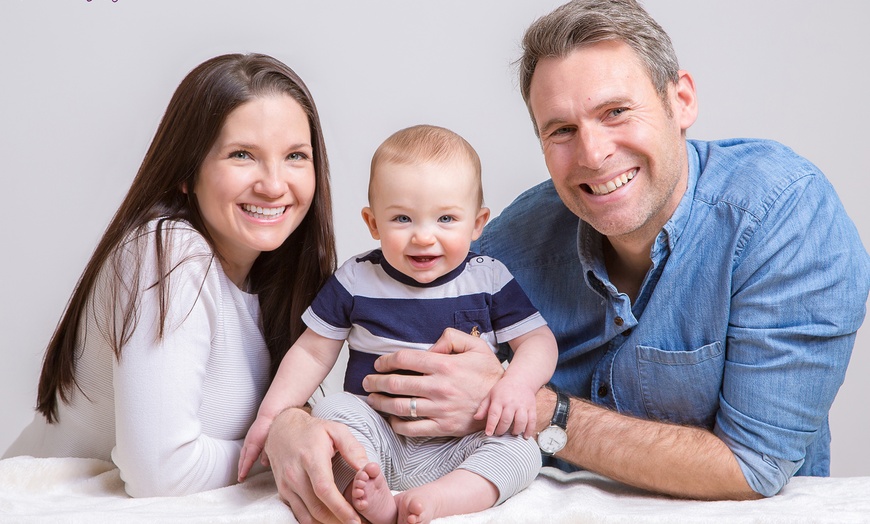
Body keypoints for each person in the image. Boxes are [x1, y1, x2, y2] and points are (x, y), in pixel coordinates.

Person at [261, 1, 870, 521]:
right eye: (560, 130)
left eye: (615, 112)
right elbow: (412, 366)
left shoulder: (783, 218)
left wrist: (541, 411)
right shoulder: (510, 242)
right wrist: (293, 425)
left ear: (680, 100)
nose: (594, 153)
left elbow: (756, 465)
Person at [2, 53, 337, 498]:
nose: (274, 185)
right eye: (242, 155)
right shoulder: (167, 252)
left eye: (295, 156)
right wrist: (277, 446)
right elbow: (162, 474)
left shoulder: (275, 277)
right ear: (186, 172)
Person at [240, 125, 557, 524]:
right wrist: (271, 417)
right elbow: (311, 351)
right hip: (377, 433)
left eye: (446, 218)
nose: (424, 237)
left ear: (478, 224)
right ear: (373, 224)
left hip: (461, 441)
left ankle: (438, 500)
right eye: (403, 218)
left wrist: (517, 384)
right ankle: (369, 489)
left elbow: (539, 341)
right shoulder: (357, 279)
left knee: (522, 448)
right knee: (334, 410)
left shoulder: (489, 278)